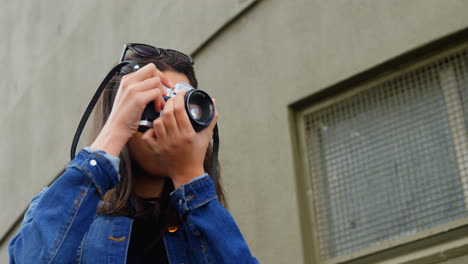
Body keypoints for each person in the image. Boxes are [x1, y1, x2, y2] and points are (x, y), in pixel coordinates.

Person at [9, 43, 258, 263]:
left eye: (182, 107)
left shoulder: (204, 222)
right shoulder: (69, 211)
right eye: (156, 103)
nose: (171, 120)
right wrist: (114, 132)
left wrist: (190, 176)